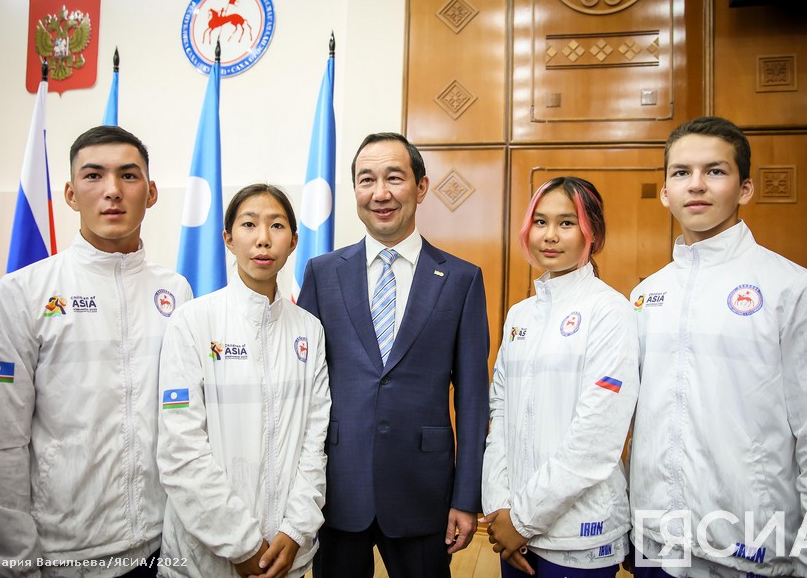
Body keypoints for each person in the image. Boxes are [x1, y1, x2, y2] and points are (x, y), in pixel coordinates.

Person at [0, 125, 193, 576]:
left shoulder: (175, 292)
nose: (112, 191)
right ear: (71, 194)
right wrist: (14, 563)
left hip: (163, 546)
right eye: (93, 176)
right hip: (65, 554)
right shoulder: (24, 293)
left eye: (128, 176)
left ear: (150, 193)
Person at [629, 116, 807, 578]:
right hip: (657, 547)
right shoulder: (647, 295)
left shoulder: (794, 289)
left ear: (745, 188)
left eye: (715, 171)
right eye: (681, 172)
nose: (696, 185)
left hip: (753, 551)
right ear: (665, 191)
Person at [297, 132, 490, 578]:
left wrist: (466, 497)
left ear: (421, 187)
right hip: (337, 489)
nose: (380, 193)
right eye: (366, 180)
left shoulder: (461, 279)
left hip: (423, 491)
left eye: (394, 178)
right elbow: (302, 387)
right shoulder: (323, 274)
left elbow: (473, 399)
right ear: (355, 191)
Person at [156, 184, 330, 578]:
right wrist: (243, 544)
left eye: (277, 225)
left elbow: (314, 441)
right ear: (228, 239)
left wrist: (296, 530)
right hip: (204, 560)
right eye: (249, 224)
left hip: (288, 555)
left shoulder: (309, 330)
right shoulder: (192, 321)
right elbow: (181, 449)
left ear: (294, 241)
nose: (263, 238)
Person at [481, 177, 639, 577]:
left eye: (567, 223)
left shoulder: (610, 311)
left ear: (592, 232)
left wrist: (523, 519)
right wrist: (500, 508)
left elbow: (596, 437)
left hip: (578, 535)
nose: (550, 235)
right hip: (513, 528)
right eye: (540, 222)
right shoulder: (520, 315)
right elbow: (500, 415)